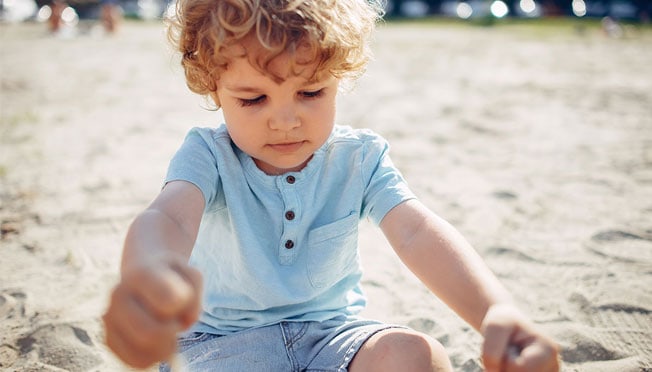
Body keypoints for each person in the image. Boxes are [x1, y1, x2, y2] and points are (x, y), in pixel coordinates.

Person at [102, 0, 560, 371]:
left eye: (311, 92)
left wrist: (494, 311)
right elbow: (171, 216)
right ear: (212, 86)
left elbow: (416, 231)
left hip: (331, 337)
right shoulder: (208, 154)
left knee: (415, 356)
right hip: (219, 345)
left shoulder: (359, 157)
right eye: (253, 98)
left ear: (339, 79)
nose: (285, 120)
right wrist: (146, 272)